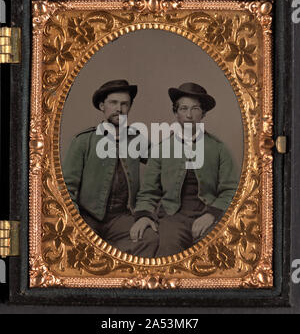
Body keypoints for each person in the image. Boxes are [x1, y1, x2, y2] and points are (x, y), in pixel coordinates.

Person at [131, 82, 238, 257]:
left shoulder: (219, 148)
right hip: (173, 217)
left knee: (216, 254)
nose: (189, 115)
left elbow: (231, 189)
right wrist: (144, 216)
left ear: (203, 113)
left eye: (195, 108)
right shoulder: (161, 149)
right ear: (176, 113)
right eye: (183, 108)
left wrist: (211, 215)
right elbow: (148, 193)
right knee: (168, 253)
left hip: (209, 215)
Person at [62, 79, 158, 257]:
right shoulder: (83, 140)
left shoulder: (136, 139)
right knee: (77, 249)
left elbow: (162, 163)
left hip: (121, 217)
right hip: (87, 217)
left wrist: (145, 213)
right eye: (113, 103)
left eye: (124, 104)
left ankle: (117, 273)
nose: (119, 109)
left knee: (149, 238)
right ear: (101, 106)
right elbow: (68, 187)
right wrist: (75, 223)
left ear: (129, 108)